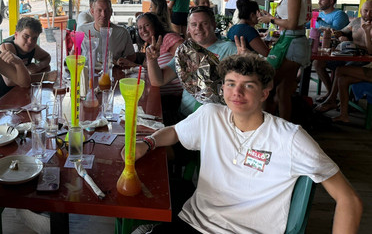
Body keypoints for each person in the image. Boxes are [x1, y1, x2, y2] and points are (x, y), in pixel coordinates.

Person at [130, 53, 362, 234]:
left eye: (248, 85)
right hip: (194, 223)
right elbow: (174, 132)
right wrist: (147, 143)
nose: (236, 92)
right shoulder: (211, 115)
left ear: (264, 93)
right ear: (222, 88)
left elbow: (349, 199)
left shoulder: (289, 138)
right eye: (230, 83)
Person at [147, 6, 242, 118]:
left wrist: (246, 62)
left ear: (214, 25)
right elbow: (158, 80)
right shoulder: (185, 51)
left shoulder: (230, 48)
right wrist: (152, 60)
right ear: (188, 29)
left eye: (204, 23)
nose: (198, 28)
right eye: (194, 24)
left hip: (214, 119)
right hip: (185, 116)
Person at [258, 0, 312, 121]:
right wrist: (272, 18)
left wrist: (271, 20)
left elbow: (292, 23)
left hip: (291, 43)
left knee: (267, 85)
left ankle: (264, 125)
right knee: (283, 91)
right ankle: (284, 126)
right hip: (297, 42)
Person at [314, 0, 372, 120]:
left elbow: (370, 51)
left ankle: (331, 100)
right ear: (361, 10)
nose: (368, 14)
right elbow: (343, 31)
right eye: (366, 11)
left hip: (365, 62)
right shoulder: (356, 21)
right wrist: (338, 34)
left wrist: (366, 32)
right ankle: (343, 113)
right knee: (319, 63)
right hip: (349, 55)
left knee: (341, 71)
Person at [0, 17, 51, 103]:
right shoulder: (6, 48)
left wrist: (39, 66)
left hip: (17, 94)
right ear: (16, 35)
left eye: (34, 38)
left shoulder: (32, 47)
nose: (30, 41)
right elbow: (11, 81)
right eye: (26, 36)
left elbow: (47, 57)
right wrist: (45, 77)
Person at [77, 0, 135, 65]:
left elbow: (131, 56)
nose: (103, 14)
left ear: (111, 12)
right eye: (99, 10)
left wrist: (122, 62)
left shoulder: (122, 33)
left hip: (112, 70)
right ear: (92, 12)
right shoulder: (82, 30)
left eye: (106, 11)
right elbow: (75, 53)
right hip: (88, 70)